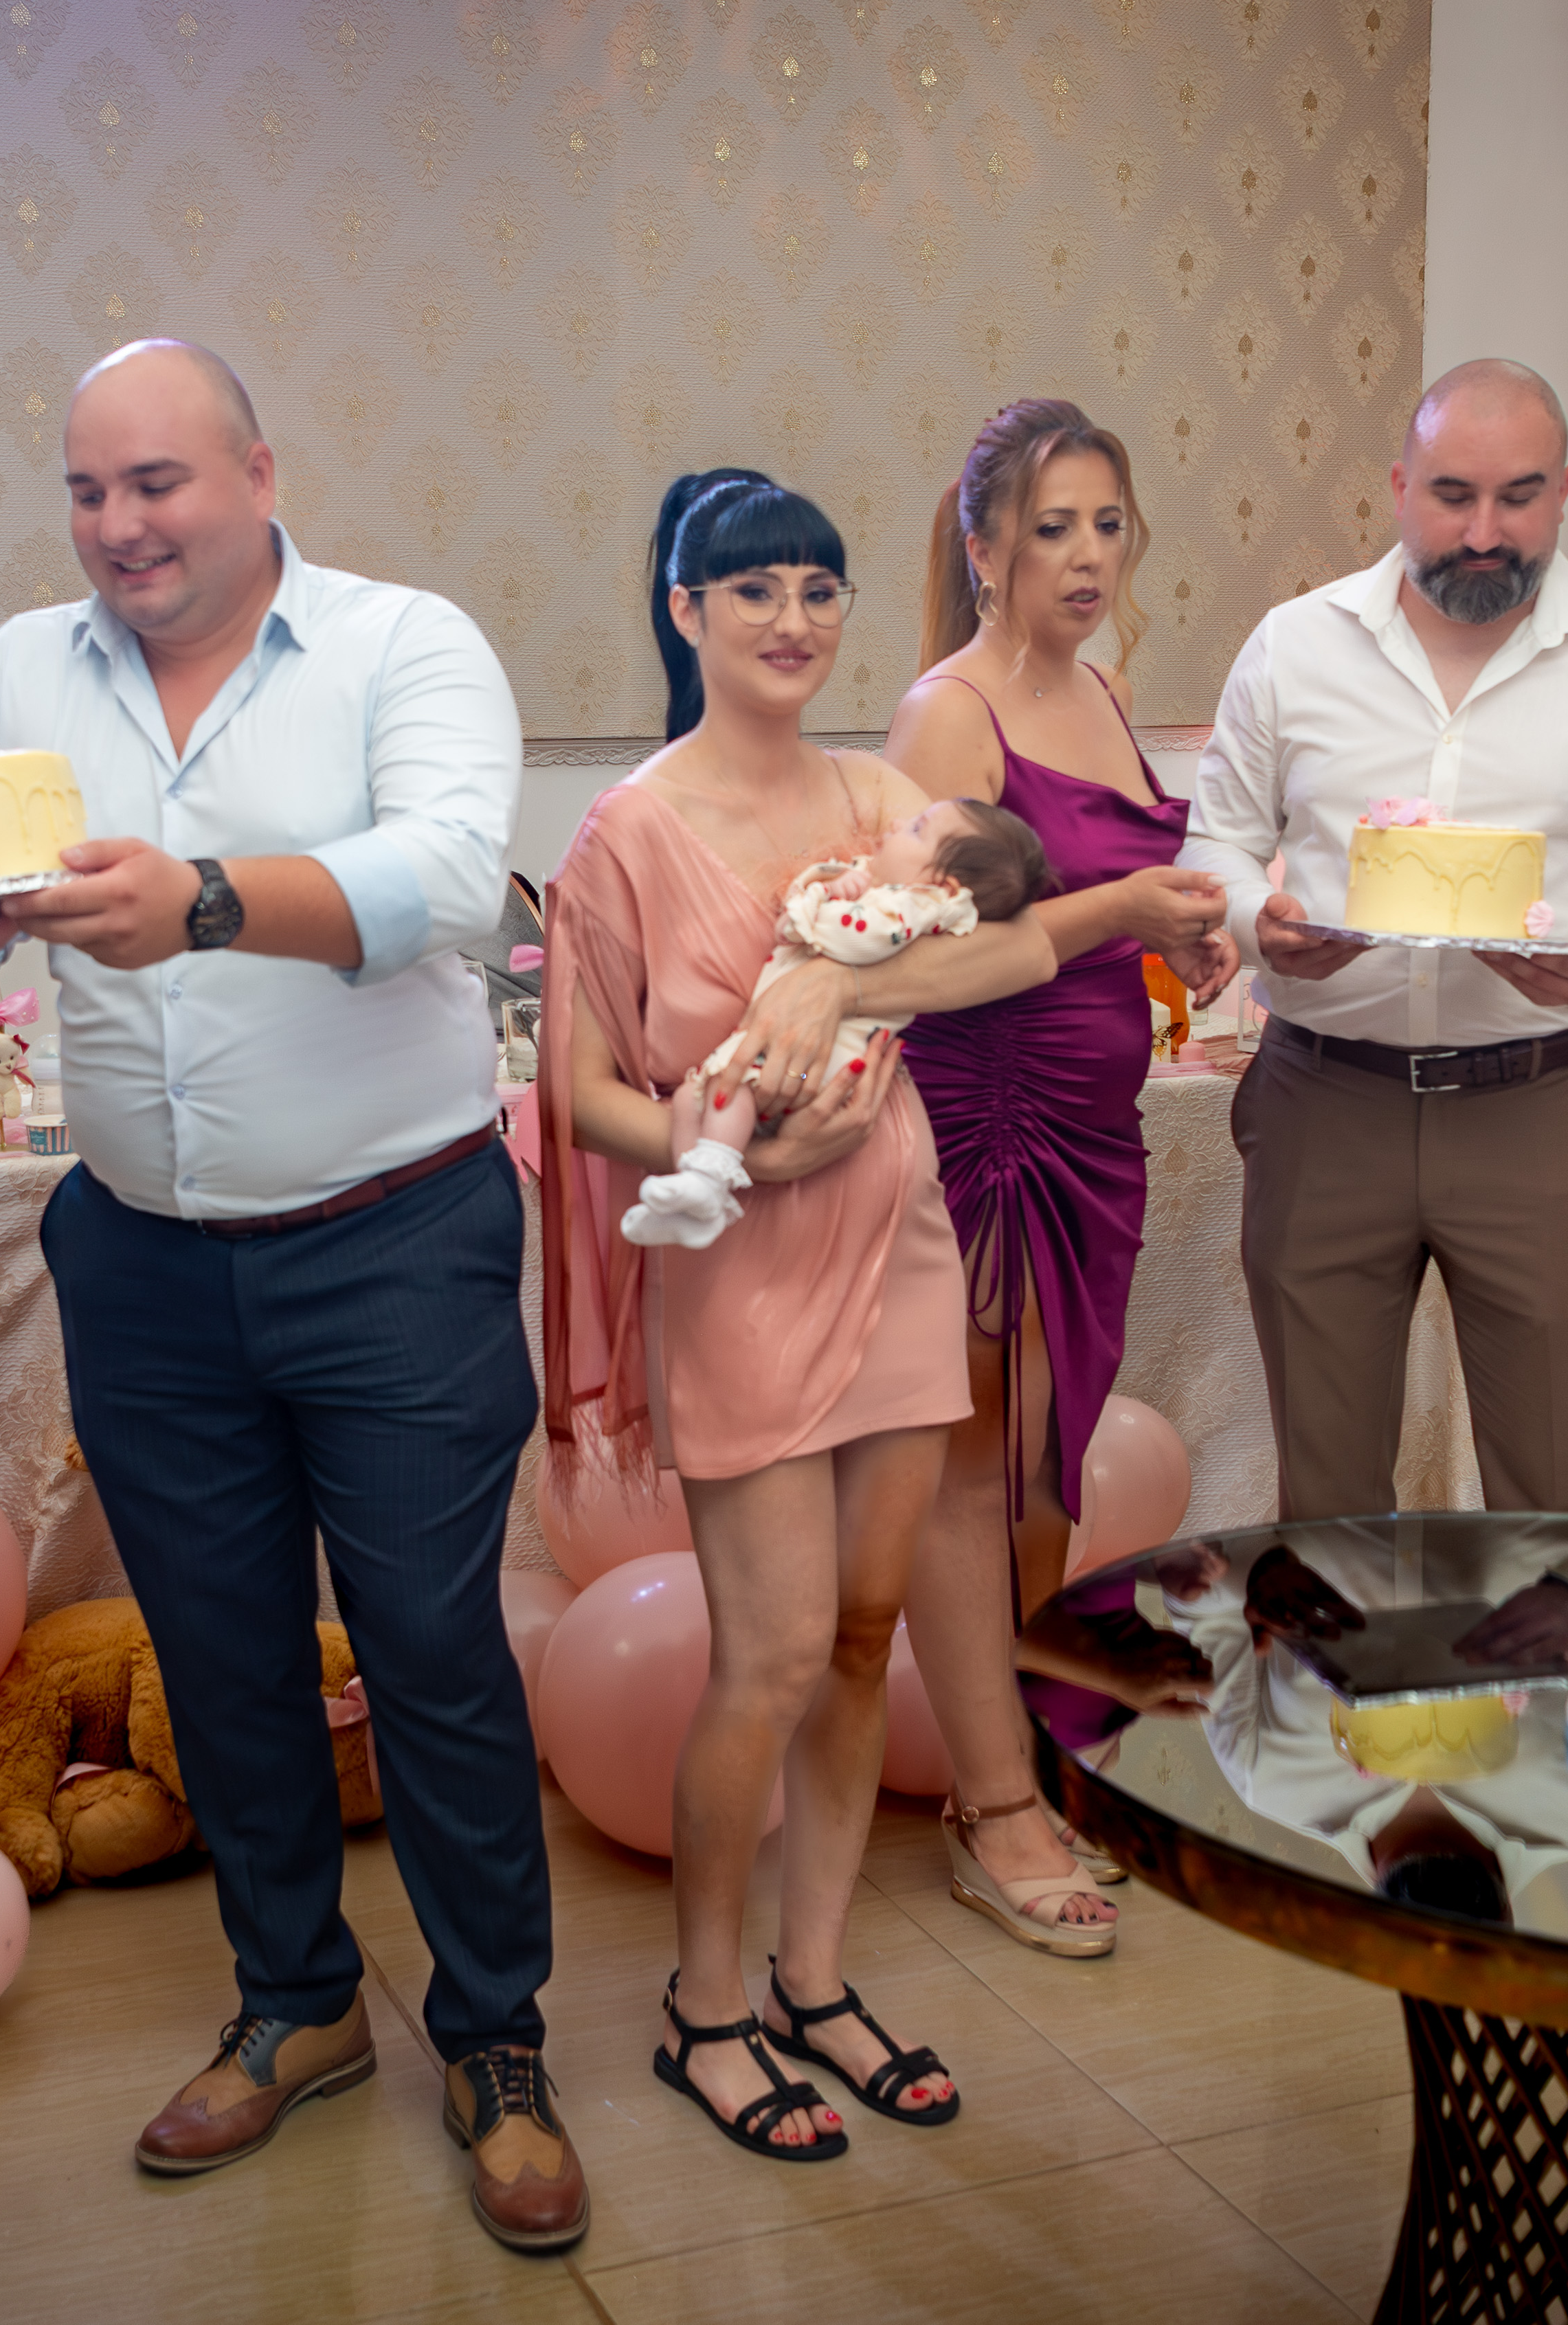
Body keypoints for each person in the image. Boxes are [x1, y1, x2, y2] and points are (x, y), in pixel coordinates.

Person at [0, 340, 579, 2251]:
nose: (120, 524)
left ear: (257, 473)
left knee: (432, 1651)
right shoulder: (18, 673)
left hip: (395, 1244)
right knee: (220, 1659)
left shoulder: (403, 644)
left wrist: (205, 898)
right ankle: (297, 2001)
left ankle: (496, 2036)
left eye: (158, 482)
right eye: (88, 490)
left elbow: (453, 877)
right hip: (139, 1256)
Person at [548, 468, 981, 2160]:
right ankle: (706, 2005)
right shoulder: (625, 833)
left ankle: (815, 1977)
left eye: (817, 588)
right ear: (685, 611)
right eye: (752, 591)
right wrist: (710, 1140)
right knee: (773, 1653)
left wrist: (830, 984)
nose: (791, 621)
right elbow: (575, 1088)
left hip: (900, 1244)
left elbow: (997, 950)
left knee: (867, 1636)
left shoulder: (880, 796)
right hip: (736, 1262)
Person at [1182, 357, 1568, 1523]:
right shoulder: (1295, 645)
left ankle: (1548, 1654)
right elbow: (1218, 842)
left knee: (1553, 1492)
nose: (1484, 531)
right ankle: (1338, 1653)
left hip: (1539, 1106)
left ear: (1565, 491)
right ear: (1399, 487)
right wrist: (1257, 924)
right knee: (1325, 1494)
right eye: (1453, 495)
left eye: (1518, 496)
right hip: (1323, 1104)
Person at [884, 396, 1235, 1957]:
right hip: (994, 1121)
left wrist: (1183, 939)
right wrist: (1127, 914)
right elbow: (929, 962)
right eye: (1050, 528)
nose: (1087, 557)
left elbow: (1111, 897)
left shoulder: (1102, 689)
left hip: (1100, 1134)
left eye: (1107, 524)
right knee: (975, 1468)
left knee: (1046, 1461)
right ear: (982, 548)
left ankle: (1017, 1757)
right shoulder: (946, 715)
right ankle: (992, 1808)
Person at [619, 794, 1053, 1250]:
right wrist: (836, 884)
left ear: (941, 885)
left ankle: (710, 1182)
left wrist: (821, 899)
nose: (898, 822)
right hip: (789, 1046)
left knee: (733, 1092)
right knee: (691, 1097)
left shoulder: (911, 907)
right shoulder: (886, 892)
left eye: (917, 829)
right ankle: (695, 1191)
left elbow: (853, 937)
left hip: (814, 1059)